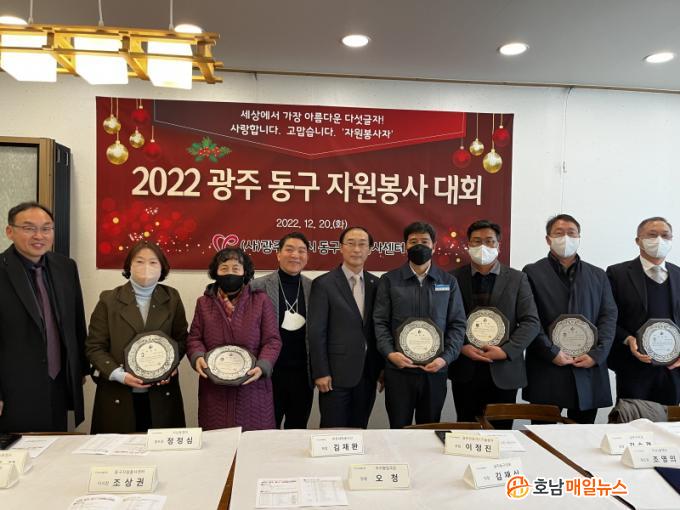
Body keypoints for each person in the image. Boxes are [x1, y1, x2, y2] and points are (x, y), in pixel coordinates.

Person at [0, 202, 87, 432]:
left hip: (59, 381)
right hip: (14, 387)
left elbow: (77, 322)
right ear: (10, 231)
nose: (39, 236)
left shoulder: (66, 267)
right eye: (29, 228)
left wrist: (79, 369)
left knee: (56, 444)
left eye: (46, 228)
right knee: (19, 448)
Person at [523, 214, 617, 423]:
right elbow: (529, 318)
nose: (565, 238)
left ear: (579, 237)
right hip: (547, 365)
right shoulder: (531, 272)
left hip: (588, 365)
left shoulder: (598, 275)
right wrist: (550, 351)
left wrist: (597, 354)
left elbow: (609, 316)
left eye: (571, 233)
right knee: (542, 433)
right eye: (559, 233)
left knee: (583, 434)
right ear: (548, 239)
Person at [85, 241, 188, 433]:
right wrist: (119, 375)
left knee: (162, 450)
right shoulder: (108, 300)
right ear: (129, 266)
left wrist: (171, 366)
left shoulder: (172, 298)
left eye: (153, 262)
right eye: (139, 261)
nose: (146, 267)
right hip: (119, 393)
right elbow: (94, 347)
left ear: (162, 268)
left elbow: (181, 340)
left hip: (161, 394)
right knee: (120, 450)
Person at [374, 221, 467, 428]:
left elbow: (457, 324)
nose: (419, 246)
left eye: (424, 241)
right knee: (399, 429)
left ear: (434, 246)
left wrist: (445, 358)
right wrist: (390, 354)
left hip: (435, 371)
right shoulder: (389, 280)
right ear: (405, 246)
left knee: (429, 430)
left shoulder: (448, 282)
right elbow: (380, 322)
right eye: (413, 241)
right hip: (399, 371)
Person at [449, 220, 540, 429]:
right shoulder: (453, 278)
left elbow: (531, 322)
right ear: (468, 245)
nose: (483, 246)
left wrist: (506, 351)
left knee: (502, 433)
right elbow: (446, 320)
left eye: (489, 241)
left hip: (504, 369)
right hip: (466, 367)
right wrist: (461, 346)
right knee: (467, 430)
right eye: (477, 241)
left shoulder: (518, 279)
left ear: (499, 245)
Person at [186, 247, 281, 431]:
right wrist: (197, 356)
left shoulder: (261, 300)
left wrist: (263, 366)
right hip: (214, 389)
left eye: (236, 268)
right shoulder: (203, 303)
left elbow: (272, 340)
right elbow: (194, 338)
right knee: (216, 442)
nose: (230, 273)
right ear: (215, 272)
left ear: (245, 272)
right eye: (224, 268)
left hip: (253, 387)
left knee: (254, 443)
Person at [308, 226, 384, 428]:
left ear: (370, 250)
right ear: (341, 248)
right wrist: (320, 371)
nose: (356, 249)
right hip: (334, 375)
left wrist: (382, 368)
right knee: (332, 431)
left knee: (360, 429)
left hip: (368, 373)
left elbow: (380, 329)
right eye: (351, 243)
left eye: (362, 244)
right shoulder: (324, 284)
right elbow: (316, 332)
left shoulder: (377, 284)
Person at [607, 217, 680, 404]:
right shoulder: (617, 274)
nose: (659, 240)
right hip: (633, 366)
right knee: (633, 420)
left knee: (669, 420)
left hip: (672, 368)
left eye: (665, 236)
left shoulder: (679, 274)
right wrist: (628, 339)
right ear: (638, 240)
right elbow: (607, 318)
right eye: (652, 235)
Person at [250, 232, 313, 429]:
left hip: (303, 373)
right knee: (267, 429)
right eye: (289, 249)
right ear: (278, 254)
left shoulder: (314, 287)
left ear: (307, 256)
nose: (295, 255)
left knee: (298, 429)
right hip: (269, 372)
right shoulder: (257, 286)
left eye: (301, 251)